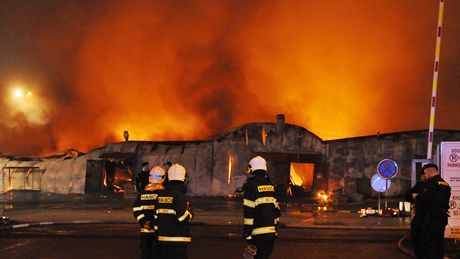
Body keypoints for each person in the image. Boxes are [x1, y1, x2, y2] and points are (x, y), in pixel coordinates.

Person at [243, 156, 280, 259]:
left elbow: (249, 212)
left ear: (252, 169)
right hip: (271, 234)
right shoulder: (272, 186)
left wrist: (247, 233)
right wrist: (275, 230)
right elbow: (276, 211)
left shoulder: (250, 186)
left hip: (257, 235)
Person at [156, 163, 193, 259]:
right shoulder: (179, 196)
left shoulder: (161, 194)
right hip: (178, 240)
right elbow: (183, 217)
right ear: (182, 179)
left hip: (162, 238)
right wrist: (190, 213)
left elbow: (156, 216)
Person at [416, 163, 451, 259]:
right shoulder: (445, 184)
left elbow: (425, 198)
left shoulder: (432, 184)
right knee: (439, 241)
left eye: (426, 173)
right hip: (442, 217)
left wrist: (417, 197)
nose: (425, 176)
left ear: (430, 172)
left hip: (432, 218)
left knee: (429, 242)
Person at [132, 166, 166, 259]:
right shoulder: (164, 193)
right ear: (163, 178)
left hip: (145, 231)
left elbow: (136, 209)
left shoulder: (143, 193)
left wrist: (144, 222)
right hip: (158, 231)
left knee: (146, 254)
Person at [406, 170, 429, 259]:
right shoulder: (419, 185)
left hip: (428, 216)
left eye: (424, 175)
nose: (422, 178)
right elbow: (409, 194)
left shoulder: (432, 185)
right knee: (415, 235)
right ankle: (419, 254)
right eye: (421, 176)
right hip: (419, 214)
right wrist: (412, 195)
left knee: (426, 237)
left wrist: (418, 196)